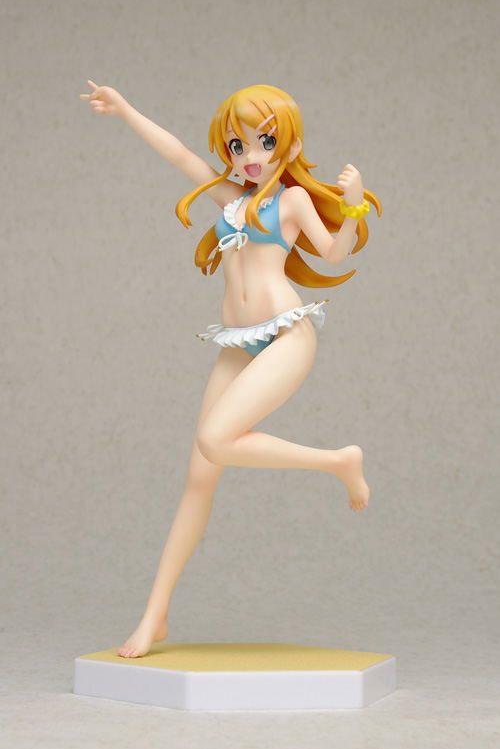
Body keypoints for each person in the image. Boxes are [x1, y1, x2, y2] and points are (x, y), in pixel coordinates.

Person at [79, 81, 382, 658]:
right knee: (199, 476)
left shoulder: (290, 202)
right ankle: (154, 615)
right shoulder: (229, 198)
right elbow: (176, 153)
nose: (250, 156)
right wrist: (126, 109)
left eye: (264, 142)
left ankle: (339, 461)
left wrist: (353, 205)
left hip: (286, 335)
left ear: (290, 146)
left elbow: (335, 252)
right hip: (238, 342)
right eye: (238, 145)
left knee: (216, 439)